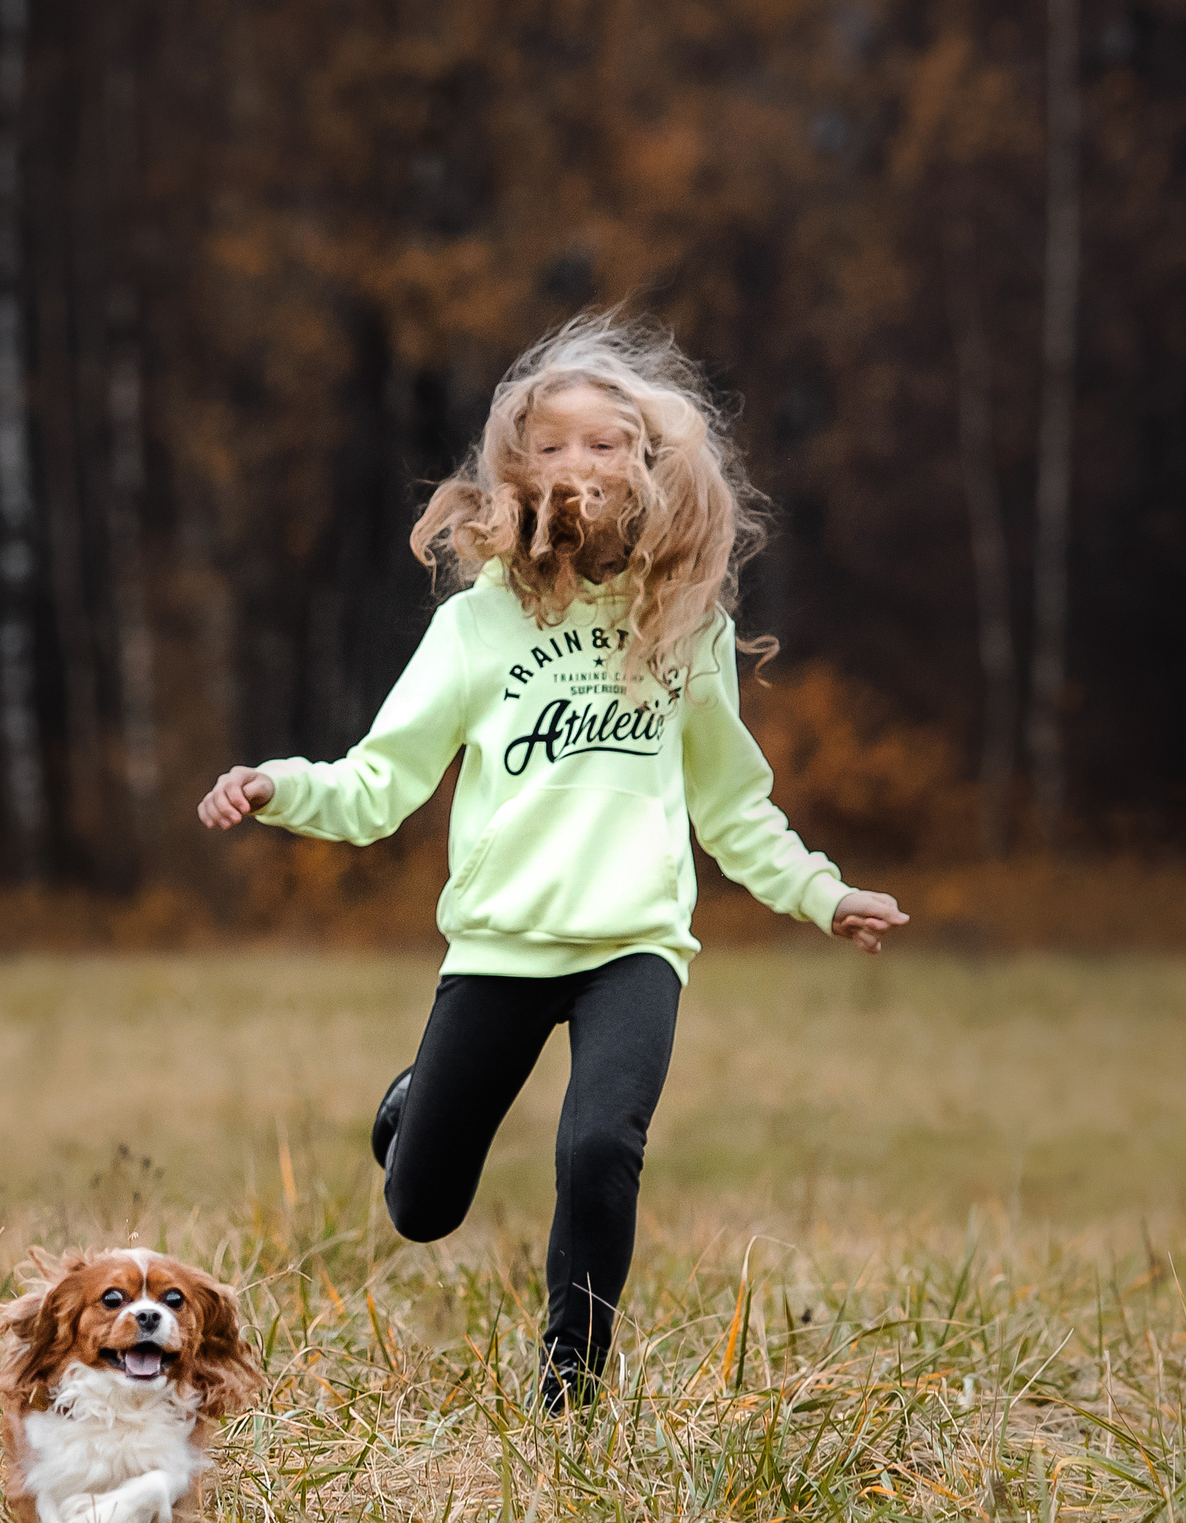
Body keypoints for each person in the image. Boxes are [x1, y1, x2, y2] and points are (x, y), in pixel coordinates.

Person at [196, 313, 907, 1412]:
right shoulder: (478, 628)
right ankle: (411, 1102)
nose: (578, 465)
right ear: (514, 469)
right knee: (421, 1207)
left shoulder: (679, 624)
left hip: (633, 944)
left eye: (605, 444)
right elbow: (378, 786)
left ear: (650, 466)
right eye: (552, 445)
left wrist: (822, 892)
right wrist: (277, 784)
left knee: (598, 1150)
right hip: (500, 946)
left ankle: (568, 1396)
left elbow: (731, 805)